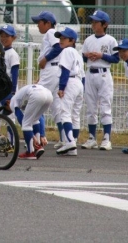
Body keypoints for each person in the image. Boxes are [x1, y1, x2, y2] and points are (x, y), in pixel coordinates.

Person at [80, 10, 120, 151]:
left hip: (104, 74)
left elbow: (116, 58)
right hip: (90, 73)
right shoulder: (88, 39)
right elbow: (83, 58)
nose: (93, 24)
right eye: (93, 21)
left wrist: (101, 55)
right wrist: (87, 55)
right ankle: (91, 138)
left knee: (105, 107)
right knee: (91, 107)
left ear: (104, 24)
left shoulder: (110, 40)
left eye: (96, 22)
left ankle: (106, 138)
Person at [31, 11, 62, 151]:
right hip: (52, 71)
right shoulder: (50, 34)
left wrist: (45, 59)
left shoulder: (51, 32)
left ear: (48, 23)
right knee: (56, 107)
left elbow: (58, 47)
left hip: (51, 70)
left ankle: (38, 138)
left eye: (39, 22)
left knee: (36, 101)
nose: (37, 25)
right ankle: (64, 139)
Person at [54, 27, 84, 156]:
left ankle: (70, 141)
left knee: (65, 113)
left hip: (70, 82)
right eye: (60, 38)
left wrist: (61, 88)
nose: (61, 40)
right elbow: (83, 75)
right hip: (79, 83)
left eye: (64, 38)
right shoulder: (78, 54)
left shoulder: (66, 51)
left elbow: (65, 71)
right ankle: (73, 147)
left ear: (72, 40)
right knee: (75, 115)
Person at [9, 84, 53, 160]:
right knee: (35, 119)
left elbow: (21, 118)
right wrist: (42, 134)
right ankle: (38, 147)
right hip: (48, 95)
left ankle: (30, 152)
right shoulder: (21, 97)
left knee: (26, 124)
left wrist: (32, 135)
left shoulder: (12, 102)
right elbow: (40, 117)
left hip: (36, 94)